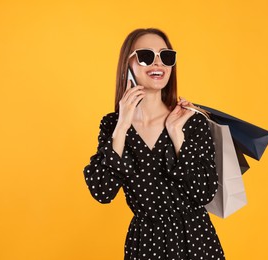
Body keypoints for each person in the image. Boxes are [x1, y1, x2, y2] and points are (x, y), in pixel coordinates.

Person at [83, 28, 225, 260]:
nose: (158, 63)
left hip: (195, 242)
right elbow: (102, 191)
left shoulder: (191, 120)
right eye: (146, 56)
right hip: (145, 244)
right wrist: (122, 125)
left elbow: (204, 193)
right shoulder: (113, 125)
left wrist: (177, 135)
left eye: (166, 56)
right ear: (127, 64)